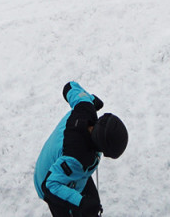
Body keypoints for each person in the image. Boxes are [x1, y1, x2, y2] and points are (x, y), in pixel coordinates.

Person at [33, 81, 127, 217]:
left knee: (92, 205)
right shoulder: (76, 159)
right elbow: (50, 186)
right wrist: (81, 203)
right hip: (49, 181)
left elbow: (69, 87)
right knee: (82, 209)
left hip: (62, 168)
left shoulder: (85, 106)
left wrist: (90, 99)